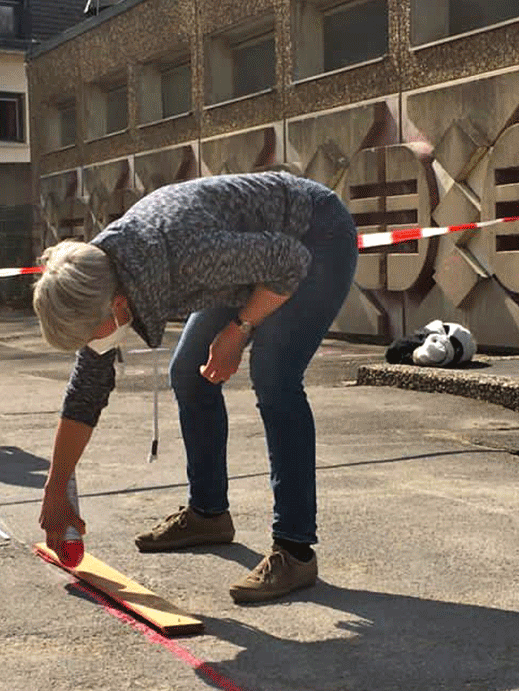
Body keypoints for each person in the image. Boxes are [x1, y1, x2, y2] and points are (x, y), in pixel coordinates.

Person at [32, 171, 358, 604]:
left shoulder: (187, 257)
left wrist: (238, 330)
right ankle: (209, 514)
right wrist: (56, 486)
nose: (92, 347)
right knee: (188, 372)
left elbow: (290, 262)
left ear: (118, 306)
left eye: (91, 335)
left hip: (315, 237)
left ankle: (295, 550)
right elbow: (87, 388)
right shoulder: (104, 271)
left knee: (275, 376)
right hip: (249, 254)